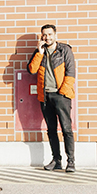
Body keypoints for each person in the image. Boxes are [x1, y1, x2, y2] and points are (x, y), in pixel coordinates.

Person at [28, 24, 77, 172]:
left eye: (50, 34)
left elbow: (71, 73)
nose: (47, 37)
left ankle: (71, 162)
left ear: (55, 35)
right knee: (51, 130)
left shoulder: (64, 50)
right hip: (45, 97)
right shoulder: (39, 52)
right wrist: (40, 52)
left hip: (61, 95)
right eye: (44, 35)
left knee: (66, 129)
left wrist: (62, 92)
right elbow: (32, 70)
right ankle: (56, 160)